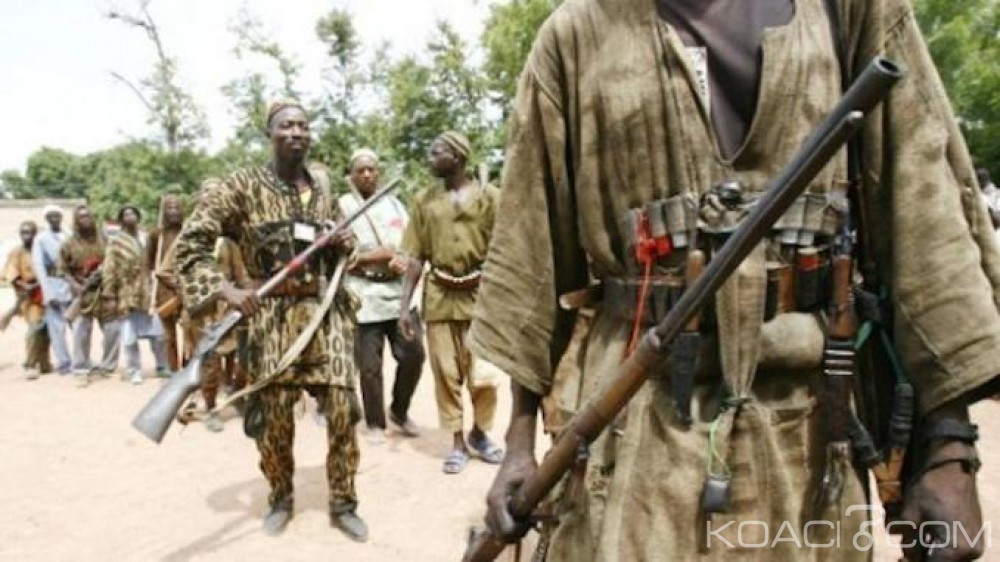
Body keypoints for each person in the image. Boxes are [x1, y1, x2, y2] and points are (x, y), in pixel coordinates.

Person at [471, 1, 998, 560]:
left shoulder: (849, 8)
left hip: (812, 435)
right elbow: (532, 257)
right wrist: (519, 443)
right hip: (634, 432)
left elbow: (925, 220)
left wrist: (949, 448)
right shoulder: (575, 34)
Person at [174, 100, 367, 541]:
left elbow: (350, 244)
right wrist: (225, 290)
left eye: (303, 125)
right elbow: (190, 245)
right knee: (275, 419)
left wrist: (342, 241)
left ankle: (343, 502)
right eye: (286, 126)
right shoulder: (240, 186)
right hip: (270, 317)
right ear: (270, 134)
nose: (296, 132)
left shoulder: (322, 186)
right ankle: (280, 496)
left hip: (325, 312)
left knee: (342, 409)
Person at [395, 131, 503, 474]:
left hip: (482, 298)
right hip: (440, 298)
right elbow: (415, 257)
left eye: (436, 152)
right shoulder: (424, 201)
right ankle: (456, 443)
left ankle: (480, 433)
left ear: (456, 156)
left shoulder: (490, 197)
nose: (430, 159)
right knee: (446, 374)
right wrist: (403, 307)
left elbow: (505, 250)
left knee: (483, 374)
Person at [339, 148, 425, 443]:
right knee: (369, 367)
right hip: (363, 294)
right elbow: (342, 254)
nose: (366, 174)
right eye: (360, 170)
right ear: (351, 175)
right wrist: (379, 255)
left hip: (398, 293)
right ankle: (375, 423)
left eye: (371, 169)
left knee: (414, 354)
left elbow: (410, 243)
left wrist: (402, 257)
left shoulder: (395, 204)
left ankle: (399, 411)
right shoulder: (343, 207)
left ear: (379, 173)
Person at [100, 205, 170, 384]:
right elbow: (109, 269)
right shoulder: (116, 241)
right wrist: (109, 294)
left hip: (147, 292)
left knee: (158, 334)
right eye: (126, 214)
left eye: (133, 213)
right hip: (126, 293)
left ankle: (162, 366)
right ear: (121, 219)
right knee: (129, 337)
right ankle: (133, 370)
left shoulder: (145, 237)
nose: (130, 217)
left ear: (138, 217)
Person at [59, 205, 120, 385]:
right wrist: (76, 285)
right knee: (81, 331)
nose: (85, 220)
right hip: (82, 292)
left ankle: (108, 367)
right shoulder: (68, 243)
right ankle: (81, 367)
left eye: (88, 216)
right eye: (81, 217)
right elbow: (62, 270)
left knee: (112, 330)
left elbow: (114, 264)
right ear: (76, 221)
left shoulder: (105, 240)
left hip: (104, 290)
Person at [3, 221, 51, 379]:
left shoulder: (43, 250)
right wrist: (24, 286)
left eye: (29, 232)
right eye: (23, 232)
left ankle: (44, 362)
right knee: (35, 328)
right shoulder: (17, 252)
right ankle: (30, 364)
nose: (26, 236)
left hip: (46, 294)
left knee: (46, 330)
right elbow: (10, 274)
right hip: (29, 297)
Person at [147, 194, 186, 371]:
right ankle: (173, 370)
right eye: (169, 208)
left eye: (177, 207)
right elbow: (149, 263)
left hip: (186, 287)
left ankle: (188, 367)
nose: (174, 211)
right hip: (164, 289)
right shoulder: (156, 235)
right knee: (168, 335)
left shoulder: (188, 232)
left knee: (190, 331)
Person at [31, 205, 71, 375]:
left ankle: (81, 360)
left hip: (71, 284)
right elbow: (39, 266)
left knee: (78, 327)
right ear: (46, 219)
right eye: (51, 216)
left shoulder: (69, 235)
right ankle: (64, 363)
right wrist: (48, 293)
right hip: (53, 284)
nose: (54, 219)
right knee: (57, 329)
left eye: (57, 216)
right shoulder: (41, 239)